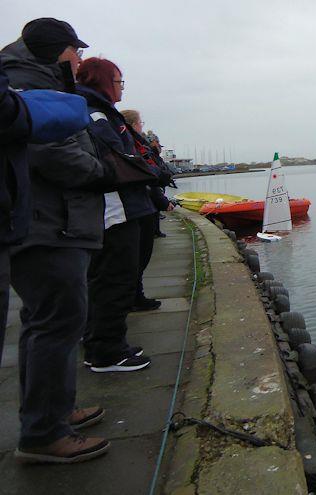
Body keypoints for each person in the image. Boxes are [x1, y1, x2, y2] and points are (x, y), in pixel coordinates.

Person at [1, 18, 113, 464]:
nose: (80, 60)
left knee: (46, 322)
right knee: (57, 321)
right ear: (57, 50)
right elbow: (51, 150)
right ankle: (45, 432)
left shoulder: (28, 80)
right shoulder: (27, 82)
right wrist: (105, 172)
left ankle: (53, 413)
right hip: (51, 223)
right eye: (76, 51)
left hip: (49, 220)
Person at [77, 57, 156, 372]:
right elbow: (118, 158)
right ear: (104, 81)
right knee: (115, 279)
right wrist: (148, 170)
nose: (122, 87)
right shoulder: (96, 114)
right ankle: (107, 351)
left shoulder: (97, 111)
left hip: (122, 205)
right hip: (117, 209)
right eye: (119, 80)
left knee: (110, 279)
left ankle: (102, 343)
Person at [119, 109, 173, 311]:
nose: (142, 126)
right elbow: (145, 176)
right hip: (139, 206)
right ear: (133, 124)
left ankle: (136, 296)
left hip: (142, 204)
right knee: (137, 258)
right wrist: (161, 198)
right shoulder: (131, 144)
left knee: (138, 258)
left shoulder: (135, 143)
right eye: (140, 122)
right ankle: (133, 298)